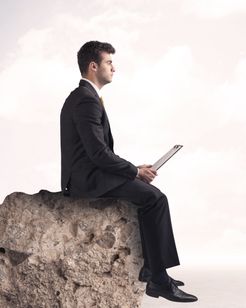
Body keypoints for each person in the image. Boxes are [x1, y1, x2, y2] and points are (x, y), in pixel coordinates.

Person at [60, 41, 197, 303]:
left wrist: (134, 169)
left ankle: (150, 268)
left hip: (92, 172)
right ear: (93, 66)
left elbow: (99, 152)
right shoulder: (86, 101)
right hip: (88, 180)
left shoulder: (84, 97)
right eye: (109, 62)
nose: (114, 67)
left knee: (150, 195)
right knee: (154, 199)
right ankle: (158, 280)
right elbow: (99, 154)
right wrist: (134, 172)